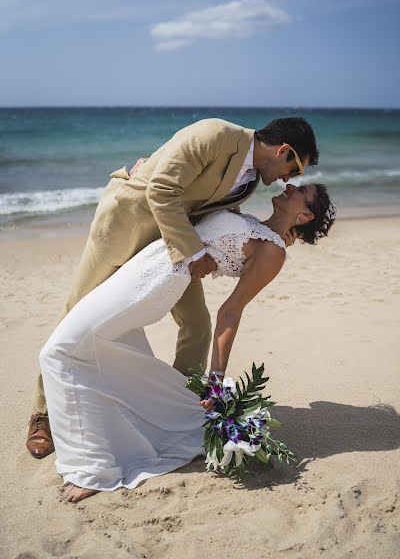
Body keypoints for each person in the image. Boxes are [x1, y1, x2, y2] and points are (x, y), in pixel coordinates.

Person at [27, 117, 320, 459]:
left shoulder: (250, 179)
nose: (289, 179)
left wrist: (280, 234)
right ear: (283, 150)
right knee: (74, 312)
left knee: (197, 325)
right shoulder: (214, 135)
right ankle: (42, 415)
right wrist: (196, 252)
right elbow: (161, 189)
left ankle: (182, 413)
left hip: (171, 253)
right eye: (294, 169)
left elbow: (216, 212)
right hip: (128, 226)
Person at [39, 182, 336, 503]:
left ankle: (94, 470)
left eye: (299, 190)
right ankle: (118, 433)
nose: (289, 185)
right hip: (150, 261)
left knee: (59, 351)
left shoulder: (273, 251)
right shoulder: (254, 224)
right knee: (102, 348)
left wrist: (217, 381)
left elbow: (230, 312)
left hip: (158, 280)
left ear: (305, 214)